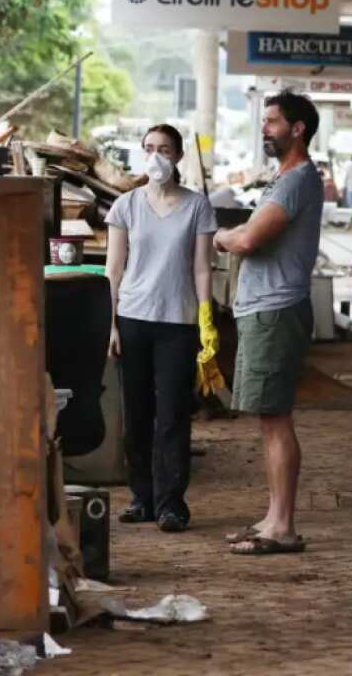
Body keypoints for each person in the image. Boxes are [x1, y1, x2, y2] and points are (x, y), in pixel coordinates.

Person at [213, 90, 323, 556]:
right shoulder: (283, 179)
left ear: (297, 129)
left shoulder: (297, 180)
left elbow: (250, 240)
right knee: (268, 417)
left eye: (273, 121)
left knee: (276, 419)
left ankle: (283, 526)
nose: (265, 128)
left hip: (275, 309)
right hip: (265, 307)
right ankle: (273, 516)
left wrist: (219, 236)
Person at [105, 124, 219, 533]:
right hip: (133, 318)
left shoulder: (197, 207)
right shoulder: (126, 206)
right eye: (150, 148)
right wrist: (111, 323)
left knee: (172, 415)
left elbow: (202, 268)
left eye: (165, 149)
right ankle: (142, 498)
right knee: (136, 414)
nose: (157, 156)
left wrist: (206, 321)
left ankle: (172, 504)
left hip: (178, 322)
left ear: (179, 156)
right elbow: (113, 268)